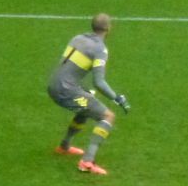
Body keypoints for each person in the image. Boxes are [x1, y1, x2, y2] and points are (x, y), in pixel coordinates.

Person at [46, 13, 130, 176]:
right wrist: (117, 98)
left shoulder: (77, 38)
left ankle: (64, 146)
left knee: (86, 104)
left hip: (53, 85)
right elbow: (99, 82)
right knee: (107, 116)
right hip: (67, 91)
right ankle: (87, 162)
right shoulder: (100, 49)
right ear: (108, 28)